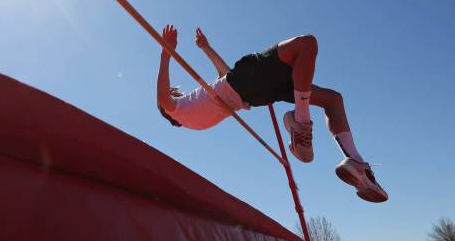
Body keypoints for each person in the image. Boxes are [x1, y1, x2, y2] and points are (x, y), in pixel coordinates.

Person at [155, 25, 387, 203]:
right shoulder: (178, 108)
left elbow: (223, 76)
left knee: (332, 100)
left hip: (255, 94)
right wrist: (166, 52)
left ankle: (355, 161)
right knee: (306, 44)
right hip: (247, 80)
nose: (175, 93)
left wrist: (206, 48)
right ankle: (301, 121)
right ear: (167, 112)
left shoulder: (195, 117)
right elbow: (164, 98)